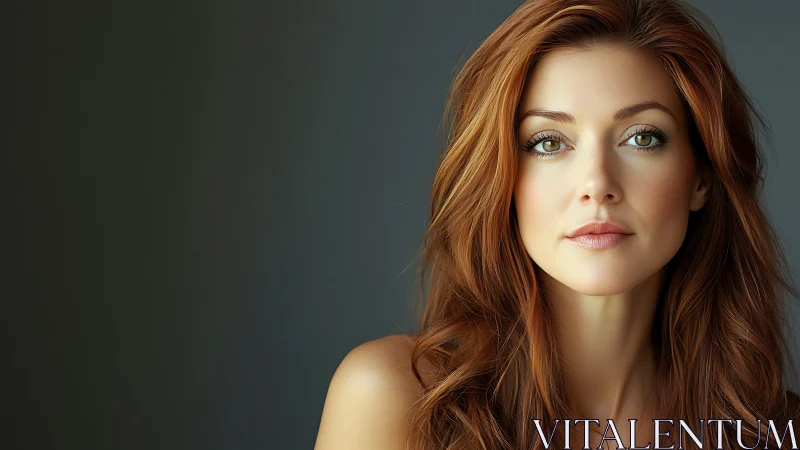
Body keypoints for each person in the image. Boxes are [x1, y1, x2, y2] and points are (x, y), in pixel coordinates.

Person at [314, 0, 800, 449]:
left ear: (701, 178)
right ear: (502, 177)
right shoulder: (396, 398)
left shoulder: (776, 429)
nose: (597, 184)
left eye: (642, 137)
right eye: (548, 142)